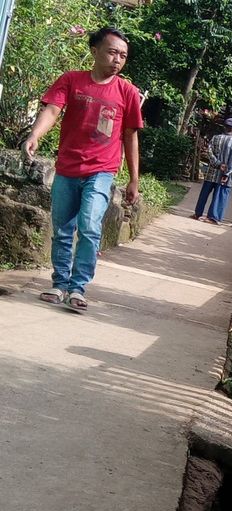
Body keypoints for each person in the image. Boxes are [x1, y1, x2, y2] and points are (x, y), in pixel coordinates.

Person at [23, 26, 143, 312]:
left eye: (123, 55)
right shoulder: (71, 81)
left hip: (101, 170)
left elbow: (130, 135)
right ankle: (59, 283)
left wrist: (134, 180)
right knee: (63, 229)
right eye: (112, 52)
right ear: (94, 51)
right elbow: (52, 110)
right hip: (67, 167)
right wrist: (35, 135)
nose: (117, 59)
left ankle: (78, 288)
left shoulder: (127, 92)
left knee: (89, 226)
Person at [193, 118, 232, 224]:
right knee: (220, 196)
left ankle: (198, 213)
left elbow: (209, 152)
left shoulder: (215, 138)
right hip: (224, 175)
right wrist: (227, 173)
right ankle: (214, 217)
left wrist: (217, 164)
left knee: (204, 193)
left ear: (224, 127)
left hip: (211, 172)